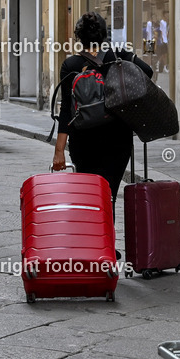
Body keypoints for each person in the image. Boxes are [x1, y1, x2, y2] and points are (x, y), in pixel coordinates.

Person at [51, 12, 153, 211]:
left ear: (79, 38)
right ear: (104, 35)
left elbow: (66, 110)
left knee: (90, 198)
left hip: (83, 142)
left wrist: (59, 151)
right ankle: (108, 229)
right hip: (118, 139)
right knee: (108, 196)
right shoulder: (118, 56)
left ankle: (94, 229)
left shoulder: (71, 65)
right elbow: (147, 71)